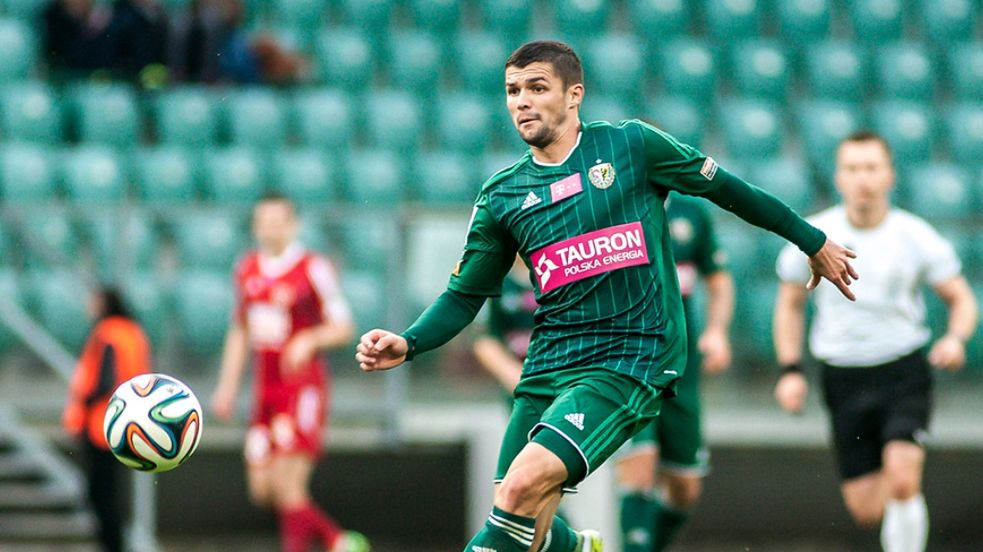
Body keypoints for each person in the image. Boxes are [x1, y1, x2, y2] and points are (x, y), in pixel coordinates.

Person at [356, 40, 858, 552]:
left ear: (574, 95)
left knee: (520, 490)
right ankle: (576, 547)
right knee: (522, 523)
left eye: (537, 87)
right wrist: (409, 341)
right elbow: (464, 296)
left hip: (630, 358)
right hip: (547, 366)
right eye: (512, 90)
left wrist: (812, 240)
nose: (521, 101)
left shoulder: (631, 146)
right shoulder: (503, 195)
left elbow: (728, 190)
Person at [773, 130, 978, 552]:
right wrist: (790, 369)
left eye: (871, 167)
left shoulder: (914, 235)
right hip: (843, 375)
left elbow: (961, 298)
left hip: (902, 370)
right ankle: (904, 517)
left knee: (902, 479)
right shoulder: (815, 236)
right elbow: (789, 305)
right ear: (839, 177)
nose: (862, 178)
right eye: (852, 168)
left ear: (889, 175)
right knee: (866, 509)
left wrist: (956, 338)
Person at [210, 193, 368, 552]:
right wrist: (227, 387)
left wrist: (309, 339)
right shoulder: (247, 269)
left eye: (277, 221)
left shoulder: (313, 268)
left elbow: (344, 327)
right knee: (262, 490)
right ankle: (338, 540)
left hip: (301, 388)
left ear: (293, 225)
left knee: (288, 486)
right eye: (262, 221)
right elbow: (240, 330)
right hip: (264, 391)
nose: (269, 228)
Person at [616, 194, 734, 552]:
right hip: (627, 360)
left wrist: (717, 332)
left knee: (685, 489)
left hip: (681, 364)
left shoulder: (691, 214)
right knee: (640, 464)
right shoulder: (609, 206)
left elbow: (718, 280)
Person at [63, 286, 152, 552]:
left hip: (101, 426)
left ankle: (113, 546)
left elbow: (105, 380)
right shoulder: (134, 332)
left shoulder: (108, 333)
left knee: (99, 494)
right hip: (127, 423)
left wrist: (84, 402)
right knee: (109, 492)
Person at [472, 255, 536, 397]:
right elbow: (484, 340)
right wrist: (515, 376)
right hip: (520, 383)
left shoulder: (566, 277)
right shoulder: (495, 284)